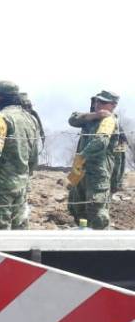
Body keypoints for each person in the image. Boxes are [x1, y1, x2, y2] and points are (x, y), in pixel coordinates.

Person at [0, 81, 40, 229]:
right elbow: (34, 155)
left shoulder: (0, 118)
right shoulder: (31, 119)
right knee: (19, 230)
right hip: (21, 184)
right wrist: (26, 175)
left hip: (0, 186)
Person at [67, 90, 122, 229]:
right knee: (77, 208)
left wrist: (82, 156)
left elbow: (101, 142)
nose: (98, 104)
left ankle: (100, 241)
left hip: (97, 174)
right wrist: (94, 115)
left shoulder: (109, 121)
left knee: (97, 213)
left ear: (113, 105)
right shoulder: (91, 118)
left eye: (103, 102)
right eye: (97, 101)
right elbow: (72, 119)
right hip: (80, 172)